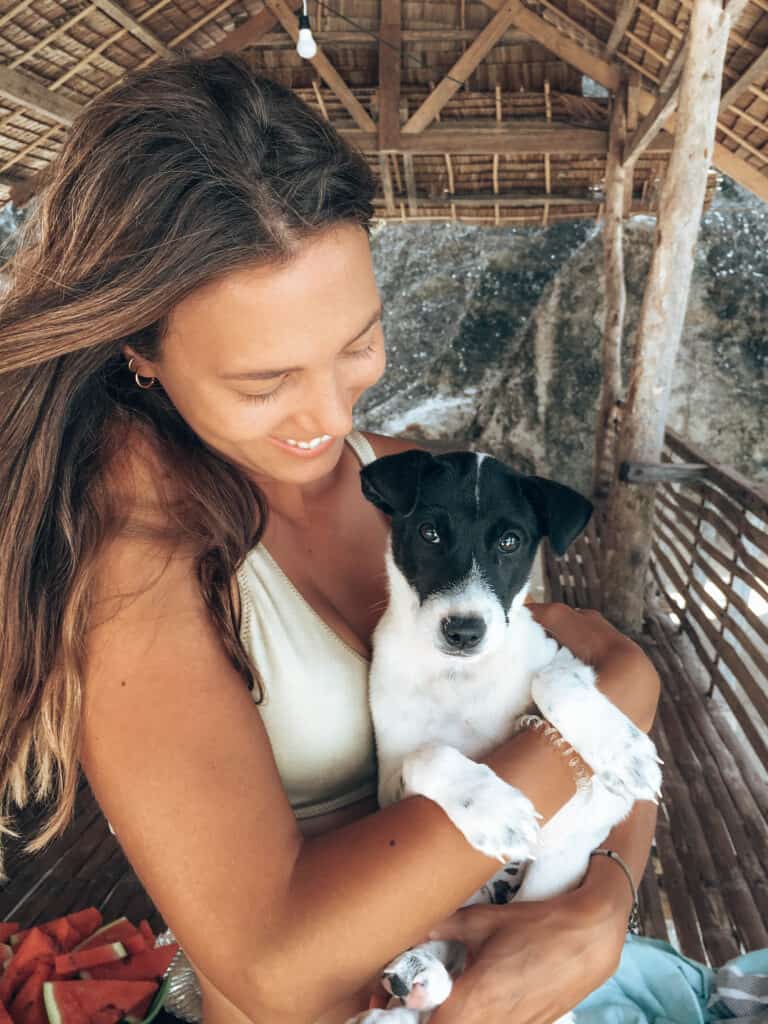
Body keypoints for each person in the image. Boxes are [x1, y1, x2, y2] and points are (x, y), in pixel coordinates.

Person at [0, 54, 660, 1024]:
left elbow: (606, 660)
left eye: (356, 342)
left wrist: (604, 898)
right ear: (137, 349)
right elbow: (281, 964)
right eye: (264, 381)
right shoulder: (130, 549)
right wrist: (585, 724)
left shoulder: (398, 472)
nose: (325, 414)